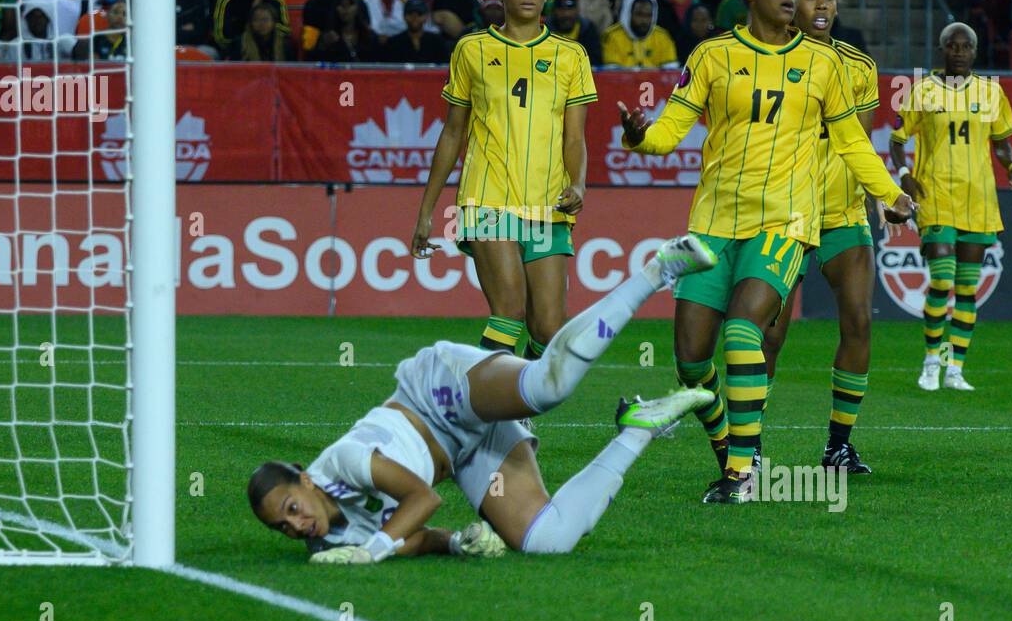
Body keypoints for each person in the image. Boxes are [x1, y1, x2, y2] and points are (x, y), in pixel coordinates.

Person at [617, 0, 913, 503]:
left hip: (784, 221)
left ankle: (741, 474)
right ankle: (735, 449)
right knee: (690, 359)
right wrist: (638, 135)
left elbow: (853, 142)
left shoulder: (825, 65)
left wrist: (891, 194)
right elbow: (667, 132)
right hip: (712, 222)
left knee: (743, 330)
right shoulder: (712, 55)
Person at [247, 237, 720, 562]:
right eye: (282, 528)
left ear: (306, 480)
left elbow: (421, 498)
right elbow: (412, 538)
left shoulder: (344, 462)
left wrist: (369, 555)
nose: (296, 526)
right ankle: (639, 427)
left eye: (291, 508)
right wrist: (455, 543)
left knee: (545, 388)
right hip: (466, 450)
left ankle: (657, 271)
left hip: (436, 396)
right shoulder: (327, 545)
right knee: (545, 542)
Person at [412, 0, 595, 360]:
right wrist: (427, 210)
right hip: (488, 199)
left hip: (548, 203)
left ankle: (513, 411)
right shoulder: (472, 49)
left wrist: (578, 182)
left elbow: (575, 137)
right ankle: (474, 409)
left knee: (548, 332)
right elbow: (452, 132)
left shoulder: (572, 56)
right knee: (509, 313)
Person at [760, 0, 881, 475]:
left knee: (857, 321)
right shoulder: (769, 59)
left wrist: (880, 195)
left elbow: (859, 146)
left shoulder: (860, 66)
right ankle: (751, 444)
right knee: (769, 334)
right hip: (786, 212)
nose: (820, 4)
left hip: (842, 214)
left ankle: (838, 445)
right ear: (794, 5)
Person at [889, 23, 1012, 393]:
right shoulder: (922, 91)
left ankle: (955, 368)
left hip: (979, 200)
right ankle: (931, 361)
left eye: (967, 46)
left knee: (967, 288)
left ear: (975, 52)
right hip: (936, 197)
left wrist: (1011, 166)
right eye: (953, 45)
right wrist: (904, 174)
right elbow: (897, 139)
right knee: (943, 280)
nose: (960, 51)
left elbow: (1001, 142)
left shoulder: (991, 92)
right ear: (942, 49)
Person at [601, 0, 679, 69]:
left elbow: (671, 72)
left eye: (648, 15)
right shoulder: (612, 36)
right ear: (628, 13)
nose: (644, 20)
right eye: (639, 14)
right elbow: (611, 73)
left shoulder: (662, 37)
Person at [313, 0, 379, 62]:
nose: (345, 8)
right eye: (341, 5)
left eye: (350, 4)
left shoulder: (369, 36)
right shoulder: (328, 37)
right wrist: (324, 46)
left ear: (358, 8)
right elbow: (316, 62)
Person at [380, 0, 451, 63]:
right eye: (410, 14)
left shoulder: (437, 42)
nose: (415, 18)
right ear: (404, 16)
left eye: (419, 14)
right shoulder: (393, 43)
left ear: (426, 17)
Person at [549, 0, 602, 66]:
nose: (566, 14)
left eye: (570, 8)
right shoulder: (545, 30)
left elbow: (596, 63)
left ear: (577, 9)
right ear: (554, 11)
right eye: (561, 9)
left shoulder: (588, 29)